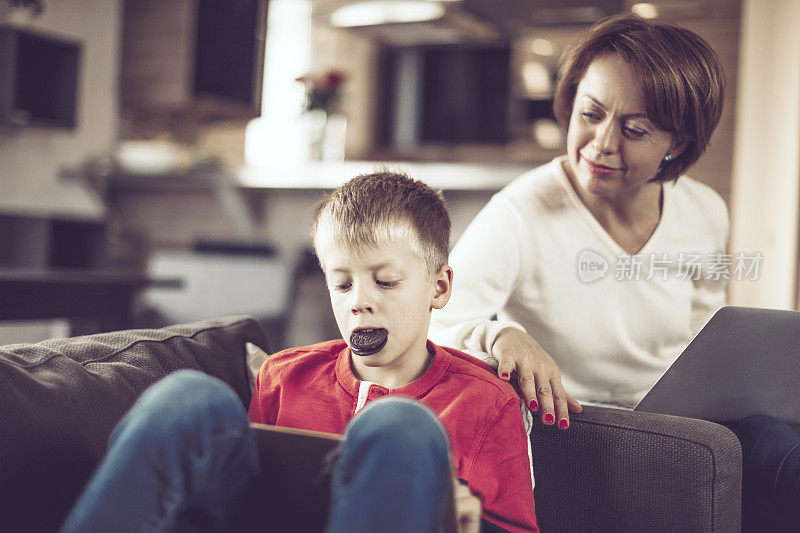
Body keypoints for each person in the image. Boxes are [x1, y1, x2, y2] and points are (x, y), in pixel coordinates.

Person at [429, 13, 799, 532]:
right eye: (591, 113)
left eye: (634, 130)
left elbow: (705, 333)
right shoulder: (520, 213)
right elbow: (430, 327)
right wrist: (499, 334)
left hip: (675, 415)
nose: (601, 143)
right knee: (735, 450)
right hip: (574, 419)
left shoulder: (704, 210)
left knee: (777, 437)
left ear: (678, 143)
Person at [61, 172, 538, 533]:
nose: (359, 301)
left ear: (438, 286)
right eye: (342, 283)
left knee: (399, 425)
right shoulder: (283, 375)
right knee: (187, 396)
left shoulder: (488, 404)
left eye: (386, 281)